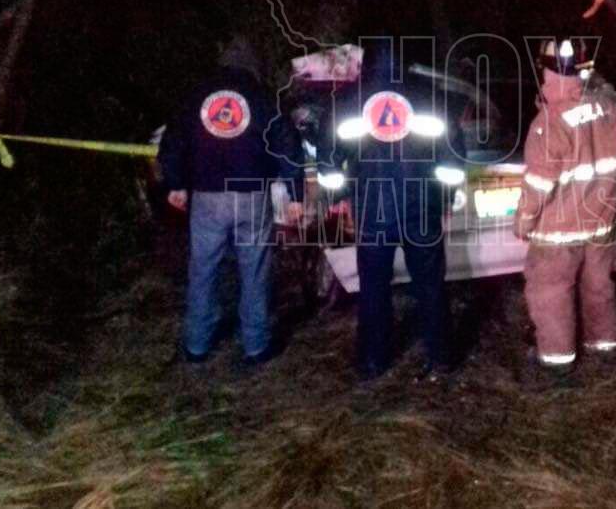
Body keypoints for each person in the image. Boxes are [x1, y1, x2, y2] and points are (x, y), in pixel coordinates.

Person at [317, 37, 466, 381]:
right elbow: (454, 157)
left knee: (374, 288)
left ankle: (373, 361)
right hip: (422, 206)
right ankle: (440, 357)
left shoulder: (347, 101)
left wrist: (342, 197)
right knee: (430, 285)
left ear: (366, 62)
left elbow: (327, 160)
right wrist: (444, 200)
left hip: (372, 210)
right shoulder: (430, 97)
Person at [158, 35, 306, 366]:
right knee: (255, 270)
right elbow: (287, 143)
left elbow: (173, 141)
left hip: (207, 197)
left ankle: (197, 344)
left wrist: (176, 184)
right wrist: (295, 194)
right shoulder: (262, 97)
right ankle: (256, 344)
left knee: (203, 269)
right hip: (251, 197)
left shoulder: (197, 95)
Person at [514, 38, 616, 372]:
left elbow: (538, 185)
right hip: (602, 222)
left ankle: (557, 360)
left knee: (551, 293)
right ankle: (603, 347)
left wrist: (523, 221)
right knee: (599, 288)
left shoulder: (549, 123)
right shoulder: (610, 108)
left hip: (558, 232)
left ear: (545, 71)